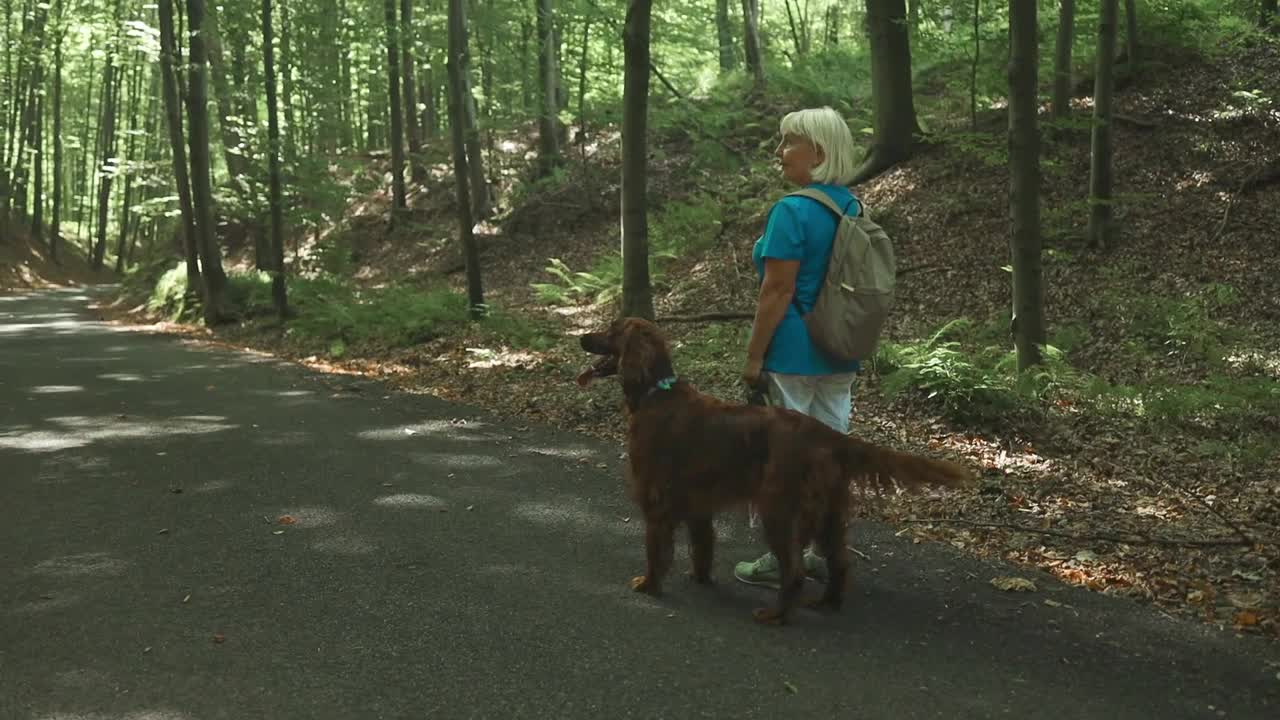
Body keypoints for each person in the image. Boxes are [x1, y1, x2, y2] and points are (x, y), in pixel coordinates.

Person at [735, 106, 864, 589]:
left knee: (783, 457)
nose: (779, 152)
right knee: (829, 452)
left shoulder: (790, 210)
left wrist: (753, 356)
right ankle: (819, 549)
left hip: (791, 350)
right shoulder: (852, 207)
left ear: (819, 152)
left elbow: (776, 291)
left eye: (789, 141)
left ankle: (780, 555)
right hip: (841, 347)